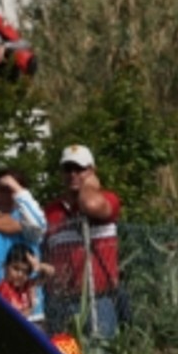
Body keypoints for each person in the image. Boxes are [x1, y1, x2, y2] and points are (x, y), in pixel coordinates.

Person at [43, 144, 125, 340]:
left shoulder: (107, 199)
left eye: (80, 169)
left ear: (92, 171)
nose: (73, 174)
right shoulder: (51, 211)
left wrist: (89, 187)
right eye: (68, 169)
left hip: (98, 299)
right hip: (61, 301)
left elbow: (90, 204)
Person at [0, 168, 47, 283]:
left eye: (11, 191)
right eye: (1, 191)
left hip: (25, 299)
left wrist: (16, 187)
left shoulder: (28, 224)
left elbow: (38, 225)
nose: (6, 197)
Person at [0, 242, 49, 326]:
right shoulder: (2, 288)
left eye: (25, 271)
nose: (20, 275)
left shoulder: (28, 285)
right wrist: (30, 309)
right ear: (5, 266)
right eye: (16, 268)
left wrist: (39, 266)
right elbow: (12, 315)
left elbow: (50, 273)